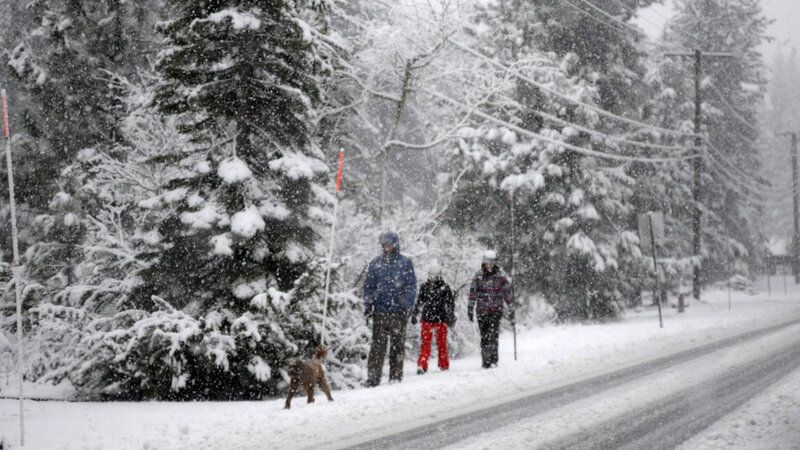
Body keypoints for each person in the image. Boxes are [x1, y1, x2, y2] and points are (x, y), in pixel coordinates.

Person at [363, 232, 417, 386]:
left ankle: (395, 376)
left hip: (399, 312)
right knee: (377, 347)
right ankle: (373, 378)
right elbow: (368, 286)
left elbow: (411, 286)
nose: (387, 247)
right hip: (380, 311)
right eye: (384, 244)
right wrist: (368, 304)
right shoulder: (376, 263)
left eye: (390, 244)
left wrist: (408, 305)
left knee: (397, 346)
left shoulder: (405, 263)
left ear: (396, 244)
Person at [467, 250, 513, 369]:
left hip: (496, 310)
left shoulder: (500, 277)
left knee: (493, 335)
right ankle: (485, 360)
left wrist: (511, 308)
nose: (489, 266)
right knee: (484, 336)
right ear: (484, 264)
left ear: (495, 264)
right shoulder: (478, 276)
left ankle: (493, 359)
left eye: (492, 263)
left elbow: (507, 293)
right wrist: (470, 308)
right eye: (487, 263)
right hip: (482, 310)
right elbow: (473, 293)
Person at [411, 261, 455, 374]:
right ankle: (422, 364)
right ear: (429, 275)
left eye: (436, 275)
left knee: (442, 343)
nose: (434, 277)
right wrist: (415, 313)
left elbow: (450, 303)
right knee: (425, 343)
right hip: (427, 319)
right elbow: (419, 302)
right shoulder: (425, 287)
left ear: (440, 275)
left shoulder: (445, 287)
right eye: (432, 275)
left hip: (441, 318)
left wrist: (451, 315)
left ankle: (444, 364)